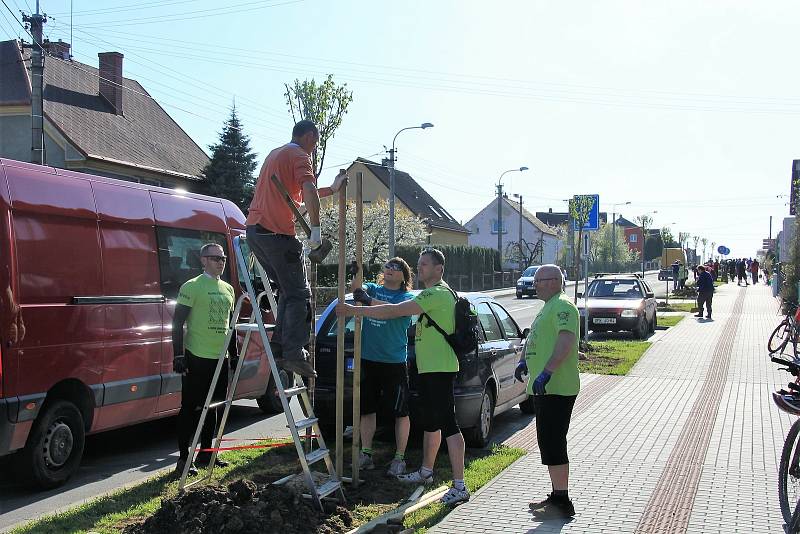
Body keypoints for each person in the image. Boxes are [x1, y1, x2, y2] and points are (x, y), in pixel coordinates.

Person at [337, 248, 470, 506]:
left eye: (424, 265)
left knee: (449, 425)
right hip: (430, 368)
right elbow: (388, 306)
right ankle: (426, 472)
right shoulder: (434, 294)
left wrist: (358, 311)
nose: (419, 268)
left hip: (440, 369)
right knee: (432, 423)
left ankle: (459, 485)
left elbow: (395, 311)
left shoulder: (437, 293)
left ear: (438, 269)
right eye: (419, 264)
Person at [245, 120, 347, 377]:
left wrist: (333, 189)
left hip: (256, 233)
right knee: (300, 295)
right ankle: (293, 353)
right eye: (316, 141)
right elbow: (309, 189)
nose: (315, 147)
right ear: (310, 136)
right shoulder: (299, 154)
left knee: (289, 292)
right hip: (276, 234)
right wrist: (316, 230)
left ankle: (280, 348)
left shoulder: (276, 154)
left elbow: (299, 195)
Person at [512, 265, 579, 519]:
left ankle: (563, 501)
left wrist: (547, 371)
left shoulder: (563, 306)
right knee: (548, 443)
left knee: (553, 442)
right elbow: (534, 340)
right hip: (544, 389)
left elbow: (565, 339)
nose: (534, 284)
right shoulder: (547, 307)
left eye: (539, 280)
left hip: (557, 388)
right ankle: (556, 495)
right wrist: (523, 361)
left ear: (553, 281)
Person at [173, 243, 237, 476]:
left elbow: (231, 325)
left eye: (223, 259)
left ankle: (207, 453)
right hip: (196, 357)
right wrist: (178, 355)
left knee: (214, 407)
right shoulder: (192, 286)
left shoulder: (228, 289)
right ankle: (183, 459)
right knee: (190, 408)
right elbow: (177, 322)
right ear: (203, 260)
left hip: (220, 359)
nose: (221, 262)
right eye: (215, 258)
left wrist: (234, 354)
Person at [350, 257, 415, 476]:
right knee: (367, 408)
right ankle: (366, 454)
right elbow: (357, 289)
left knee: (400, 411)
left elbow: (393, 310)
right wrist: (355, 272)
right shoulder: (373, 289)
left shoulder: (406, 297)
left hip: (394, 362)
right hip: (368, 358)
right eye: (388, 266)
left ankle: (399, 458)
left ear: (404, 276)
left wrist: (368, 301)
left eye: (396, 267)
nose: (389, 269)